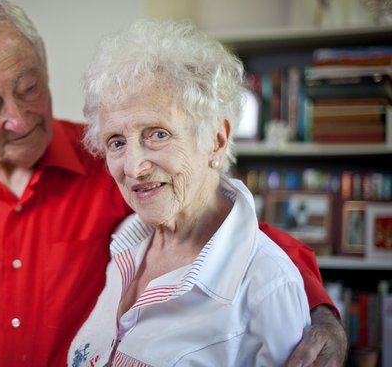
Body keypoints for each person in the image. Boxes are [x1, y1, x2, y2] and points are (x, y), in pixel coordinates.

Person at [0, 0, 346, 367]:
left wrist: (318, 310)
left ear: (44, 61)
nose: (18, 117)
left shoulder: (111, 160)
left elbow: (224, 228)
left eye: (28, 86)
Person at [68, 18, 315, 366]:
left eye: (158, 134)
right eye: (117, 142)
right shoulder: (125, 243)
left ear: (216, 140)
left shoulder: (267, 284)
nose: (134, 167)